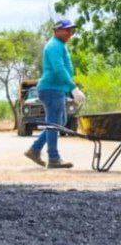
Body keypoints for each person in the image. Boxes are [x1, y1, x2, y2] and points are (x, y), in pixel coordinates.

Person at [24, 19, 85, 169]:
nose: (70, 33)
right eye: (67, 30)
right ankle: (53, 158)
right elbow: (59, 69)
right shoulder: (54, 46)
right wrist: (73, 88)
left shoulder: (60, 45)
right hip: (51, 89)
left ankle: (35, 149)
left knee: (59, 122)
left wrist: (68, 88)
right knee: (54, 124)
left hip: (57, 89)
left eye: (72, 30)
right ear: (57, 30)